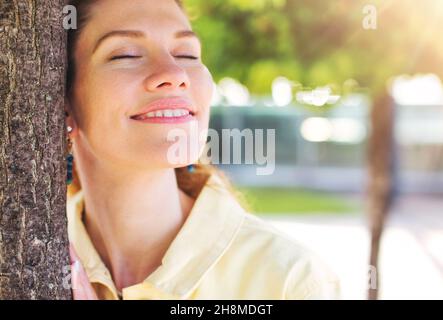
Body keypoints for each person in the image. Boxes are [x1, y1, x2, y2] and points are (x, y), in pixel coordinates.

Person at [65, 0, 340, 300]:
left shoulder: (290, 280)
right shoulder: (19, 254)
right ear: (63, 103)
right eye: (126, 54)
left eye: (186, 54)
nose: (174, 72)